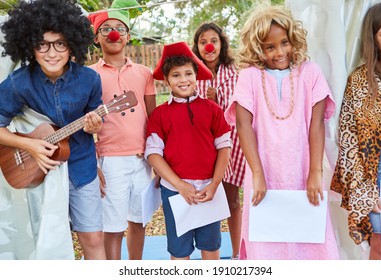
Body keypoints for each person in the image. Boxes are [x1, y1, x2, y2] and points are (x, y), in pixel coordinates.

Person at [224, 6, 339, 259]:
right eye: (270, 47)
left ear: (292, 39)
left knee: (311, 244)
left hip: (303, 172)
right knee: (266, 243)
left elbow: (316, 123)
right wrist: (257, 174)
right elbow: (243, 127)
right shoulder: (249, 77)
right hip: (263, 173)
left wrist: (315, 173)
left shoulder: (310, 73)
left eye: (284, 43)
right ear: (258, 49)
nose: (279, 52)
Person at [0, 0, 105, 260]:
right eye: (42, 44)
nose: (51, 53)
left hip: (81, 167)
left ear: (73, 45)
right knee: (48, 242)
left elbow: (98, 120)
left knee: (93, 238)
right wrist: (31, 145)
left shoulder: (90, 79)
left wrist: (96, 124)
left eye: (60, 43)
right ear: (30, 46)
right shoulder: (18, 82)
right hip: (40, 172)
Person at [145, 42, 231, 260]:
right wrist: (180, 185)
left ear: (196, 75)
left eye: (188, 73)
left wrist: (215, 183)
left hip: (208, 190)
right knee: (179, 250)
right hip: (175, 191)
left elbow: (224, 147)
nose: (183, 80)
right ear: (167, 80)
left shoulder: (212, 109)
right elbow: (154, 154)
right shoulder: (160, 115)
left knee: (211, 247)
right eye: (175, 75)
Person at [88, 0, 156, 260]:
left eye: (119, 28)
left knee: (138, 222)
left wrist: (158, 160)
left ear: (128, 36)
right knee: (113, 227)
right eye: (105, 29)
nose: (113, 33)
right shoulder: (89, 75)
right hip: (110, 161)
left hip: (142, 158)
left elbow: (153, 119)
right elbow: (84, 125)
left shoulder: (144, 72)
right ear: (96, 38)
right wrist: (93, 163)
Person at [330, 2, 381, 260]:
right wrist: (363, 189)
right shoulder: (360, 80)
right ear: (373, 39)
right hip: (378, 176)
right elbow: (348, 139)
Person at [192, 22, 245, 259]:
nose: (208, 46)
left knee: (232, 200)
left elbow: (241, 108)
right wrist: (209, 103)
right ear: (197, 46)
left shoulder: (235, 72)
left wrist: (219, 101)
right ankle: (210, 255)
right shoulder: (192, 73)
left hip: (232, 144)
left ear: (221, 43)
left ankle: (237, 253)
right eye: (203, 42)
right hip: (203, 146)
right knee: (208, 201)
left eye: (213, 40)